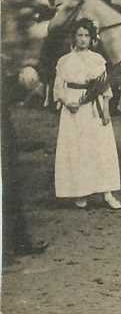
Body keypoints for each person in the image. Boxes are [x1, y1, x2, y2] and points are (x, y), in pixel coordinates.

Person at [53, 19, 121, 210]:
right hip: (73, 107)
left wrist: (106, 112)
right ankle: (81, 191)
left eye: (86, 36)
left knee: (100, 147)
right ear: (74, 37)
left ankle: (107, 192)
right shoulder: (65, 60)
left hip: (94, 108)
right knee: (78, 148)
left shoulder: (97, 59)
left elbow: (104, 87)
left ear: (91, 38)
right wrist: (68, 102)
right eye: (79, 35)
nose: (83, 39)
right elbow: (59, 87)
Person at [2, 69, 48, 264]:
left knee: (12, 190)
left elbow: (6, 91)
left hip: (4, 135)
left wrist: (20, 81)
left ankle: (20, 242)